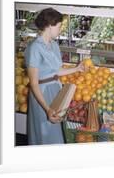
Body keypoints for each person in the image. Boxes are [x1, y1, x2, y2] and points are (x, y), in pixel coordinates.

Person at [24, 8, 85, 145]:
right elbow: (34, 83)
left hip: (56, 91)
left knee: (57, 134)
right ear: (49, 26)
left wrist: (77, 69)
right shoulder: (34, 48)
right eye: (58, 26)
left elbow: (56, 72)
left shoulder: (54, 45)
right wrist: (47, 109)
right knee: (44, 134)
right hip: (42, 95)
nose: (60, 30)